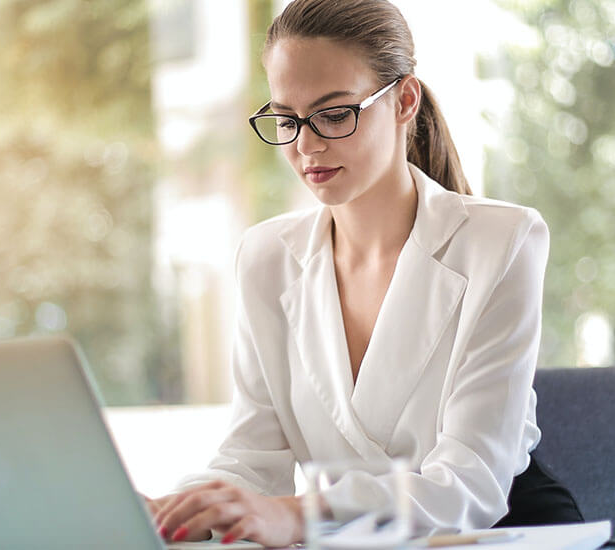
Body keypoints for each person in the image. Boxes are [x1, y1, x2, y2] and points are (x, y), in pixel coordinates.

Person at [147, 0, 583, 546]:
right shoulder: (265, 257)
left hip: (500, 533)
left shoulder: (503, 241)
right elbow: (250, 459)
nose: (306, 145)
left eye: (334, 114)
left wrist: (299, 516)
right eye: (287, 119)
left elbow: (470, 485)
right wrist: (177, 512)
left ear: (404, 100)